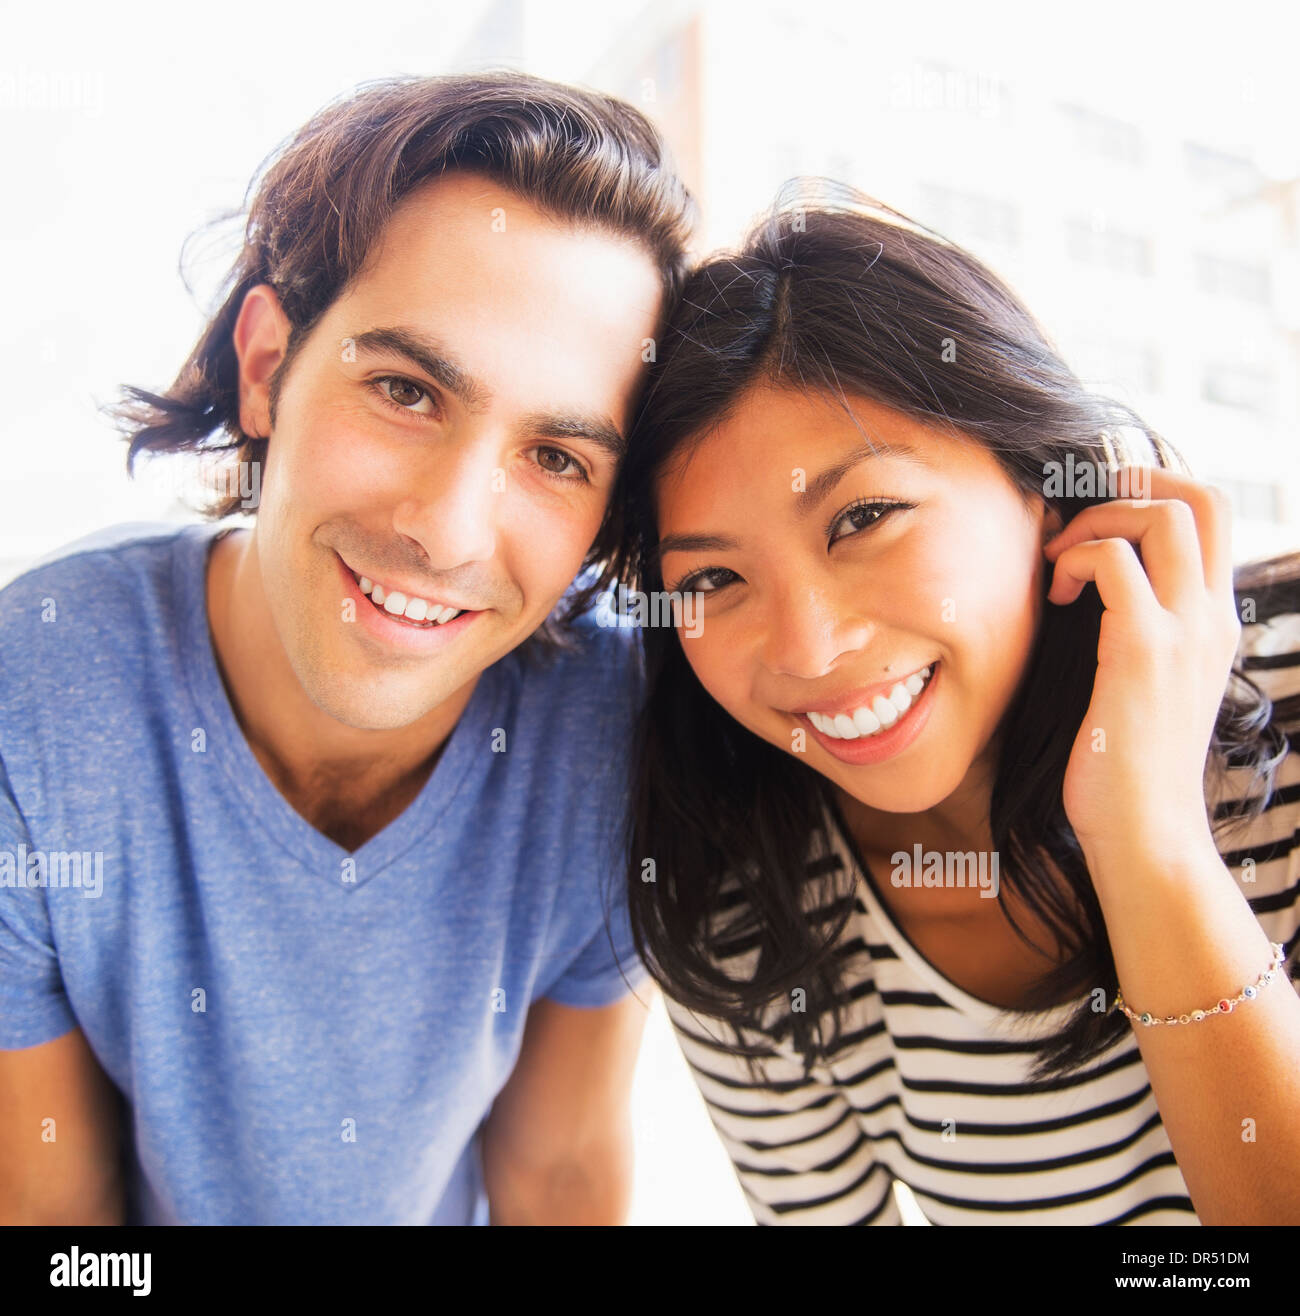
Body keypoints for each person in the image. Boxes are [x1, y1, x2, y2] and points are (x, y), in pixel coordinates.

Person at [0, 71, 694, 1225]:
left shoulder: (609, 728)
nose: (446, 529)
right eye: (406, 391)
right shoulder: (34, 705)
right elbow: (54, 1212)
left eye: (558, 457)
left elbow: (557, 1171)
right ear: (268, 366)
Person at [599, 181, 1300, 1225]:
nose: (809, 647)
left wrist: (1147, 838)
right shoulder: (740, 907)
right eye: (711, 581)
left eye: (864, 516)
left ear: (1047, 484)